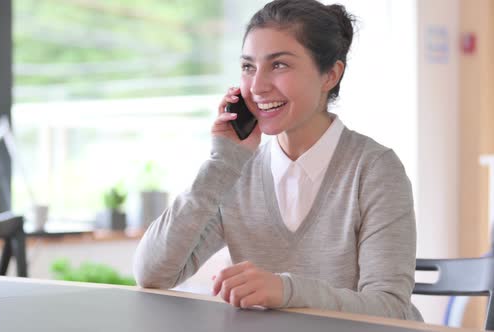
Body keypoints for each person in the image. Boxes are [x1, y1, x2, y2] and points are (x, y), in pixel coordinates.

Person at [133, 0, 423, 321]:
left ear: (330, 74)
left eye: (279, 65)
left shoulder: (375, 169)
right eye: (248, 67)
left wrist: (286, 291)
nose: (257, 86)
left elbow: (392, 308)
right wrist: (221, 162)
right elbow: (151, 273)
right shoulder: (236, 169)